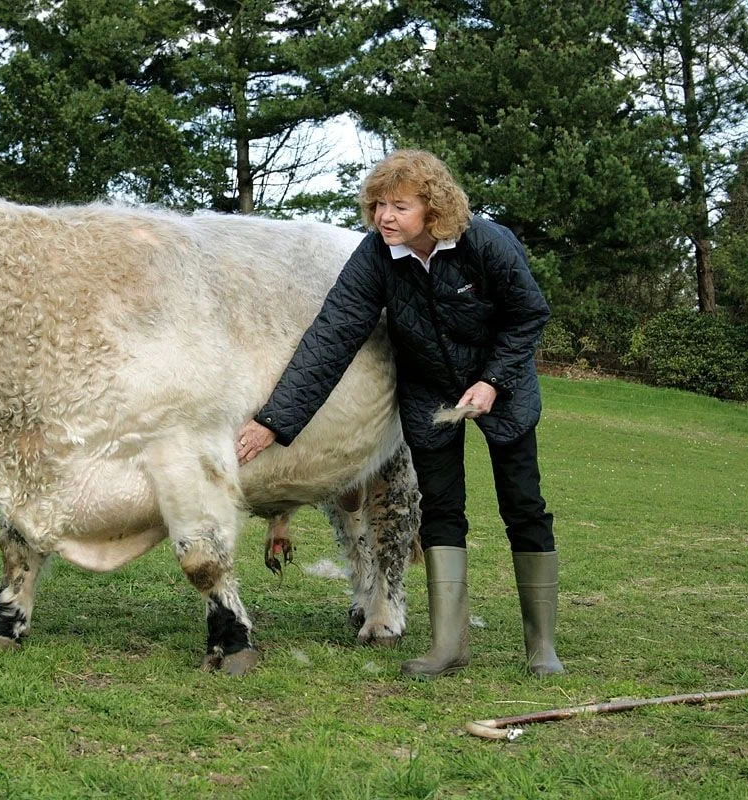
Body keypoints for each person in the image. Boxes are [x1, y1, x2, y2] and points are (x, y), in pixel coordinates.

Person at [235, 149, 564, 678]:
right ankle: (447, 646)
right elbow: (331, 337)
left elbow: (529, 315)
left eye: (400, 206)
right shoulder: (376, 256)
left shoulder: (488, 243)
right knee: (440, 510)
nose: (385, 216)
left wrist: (492, 380)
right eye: (378, 204)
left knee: (523, 506)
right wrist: (274, 420)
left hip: (503, 386)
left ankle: (541, 646)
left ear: (433, 209)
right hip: (429, 392)